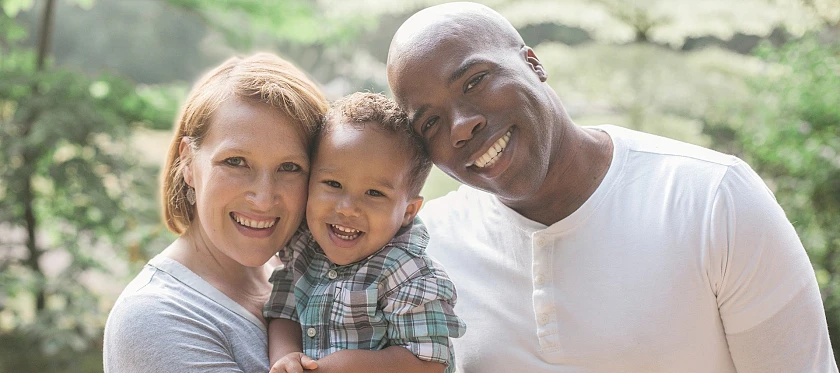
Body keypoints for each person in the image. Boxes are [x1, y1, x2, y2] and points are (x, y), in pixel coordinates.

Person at [386, 2, 837, 372]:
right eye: (430, 122)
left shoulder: (713, 199)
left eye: (474, 81)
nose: (461, 126)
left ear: (532, 63)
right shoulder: (424, 253)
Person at [103, 53, 329, 372]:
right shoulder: (156, 316)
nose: (264, 199)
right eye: (235, 162)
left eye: (290, 167)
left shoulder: (305, 277)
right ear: (188, 163)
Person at [264, 92, 466, 373]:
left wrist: (335, 367)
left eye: (374, 193)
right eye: (333, 184)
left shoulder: (408, 272)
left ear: (408, 211)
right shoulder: (303, 248)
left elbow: (428, 362)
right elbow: (284, 314)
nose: (347, 208)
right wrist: (286, 358)